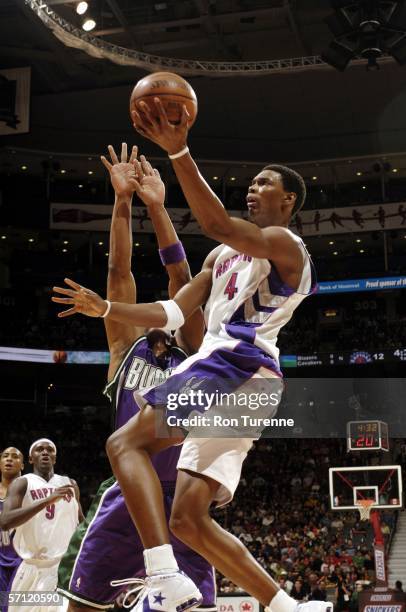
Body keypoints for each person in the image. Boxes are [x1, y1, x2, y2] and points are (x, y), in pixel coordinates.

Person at [51, 100, 331, 612]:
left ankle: (163, 571)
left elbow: (220, 225)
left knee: (123, 445)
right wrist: (108, 307)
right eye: (252, 181)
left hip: (238, 366)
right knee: (189, 519)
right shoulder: (221, 258)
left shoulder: (287, 246)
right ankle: (288, 606)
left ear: (288, 199)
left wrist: (177, 150)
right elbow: (176, 309)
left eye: (265, 182)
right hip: (244, 382)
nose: (253, 186)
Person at [57, 144, 215, 611]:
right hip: (127, 500)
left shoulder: (193, 353)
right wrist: (122, 201)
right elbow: (117, 270)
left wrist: (159, 207)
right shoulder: (124, 350)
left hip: (184, 495)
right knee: (83, 606)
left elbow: (181, 274)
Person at [0, 439, 82, 612]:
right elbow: (5, 521)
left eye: (50, 450)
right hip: (31, 566)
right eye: (39, 450)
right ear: (30, 459)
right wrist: (47, 500)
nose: (45, 452)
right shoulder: (22, 483)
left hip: (62, 568)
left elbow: (81, 525)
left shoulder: (70, 484)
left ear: (55, 458)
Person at [0, 447, 24, 610]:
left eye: (15, 457)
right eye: (5, 456)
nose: (9, 459)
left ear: (23, 464)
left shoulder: (32, 491)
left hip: (24, 559)